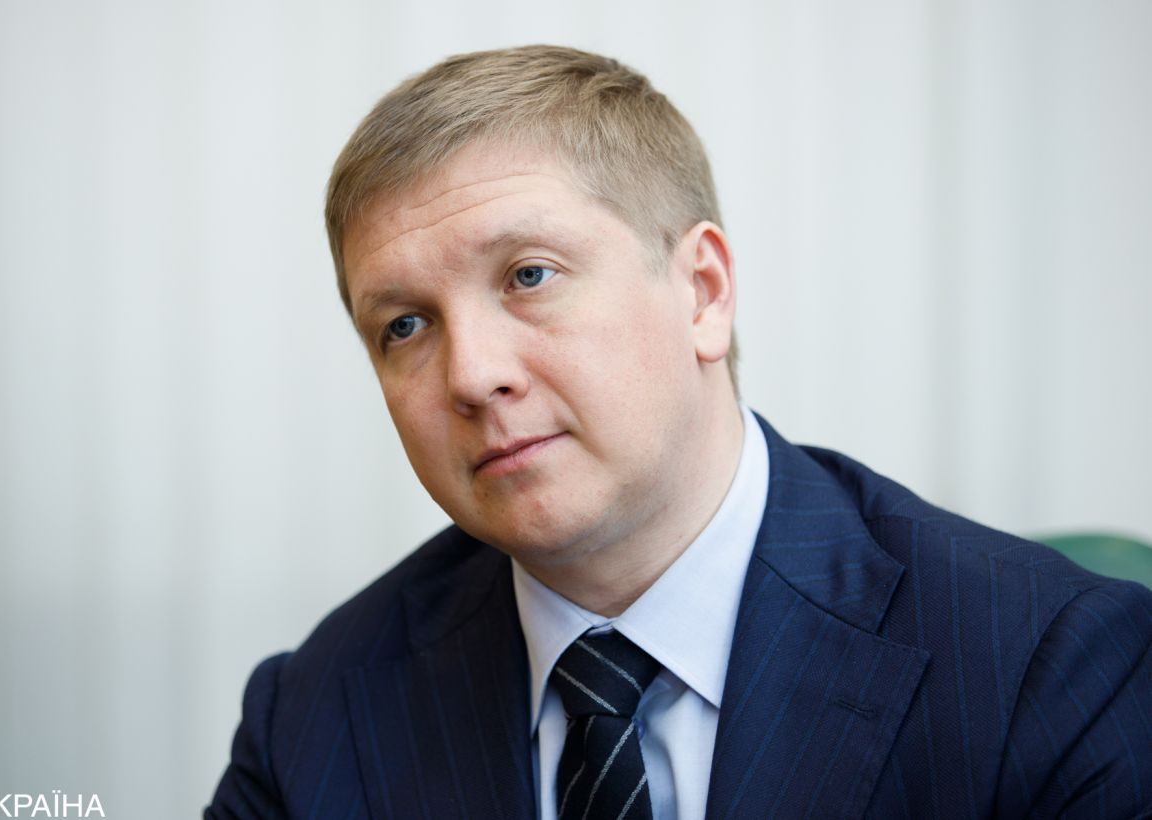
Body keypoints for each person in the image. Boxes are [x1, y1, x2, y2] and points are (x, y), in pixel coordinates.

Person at [206, 45, 1152, 819]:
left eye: (529, 275)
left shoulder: (1051, 669)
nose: (471, 375)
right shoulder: (315, 717)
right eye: (405, 325)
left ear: (703, 293)